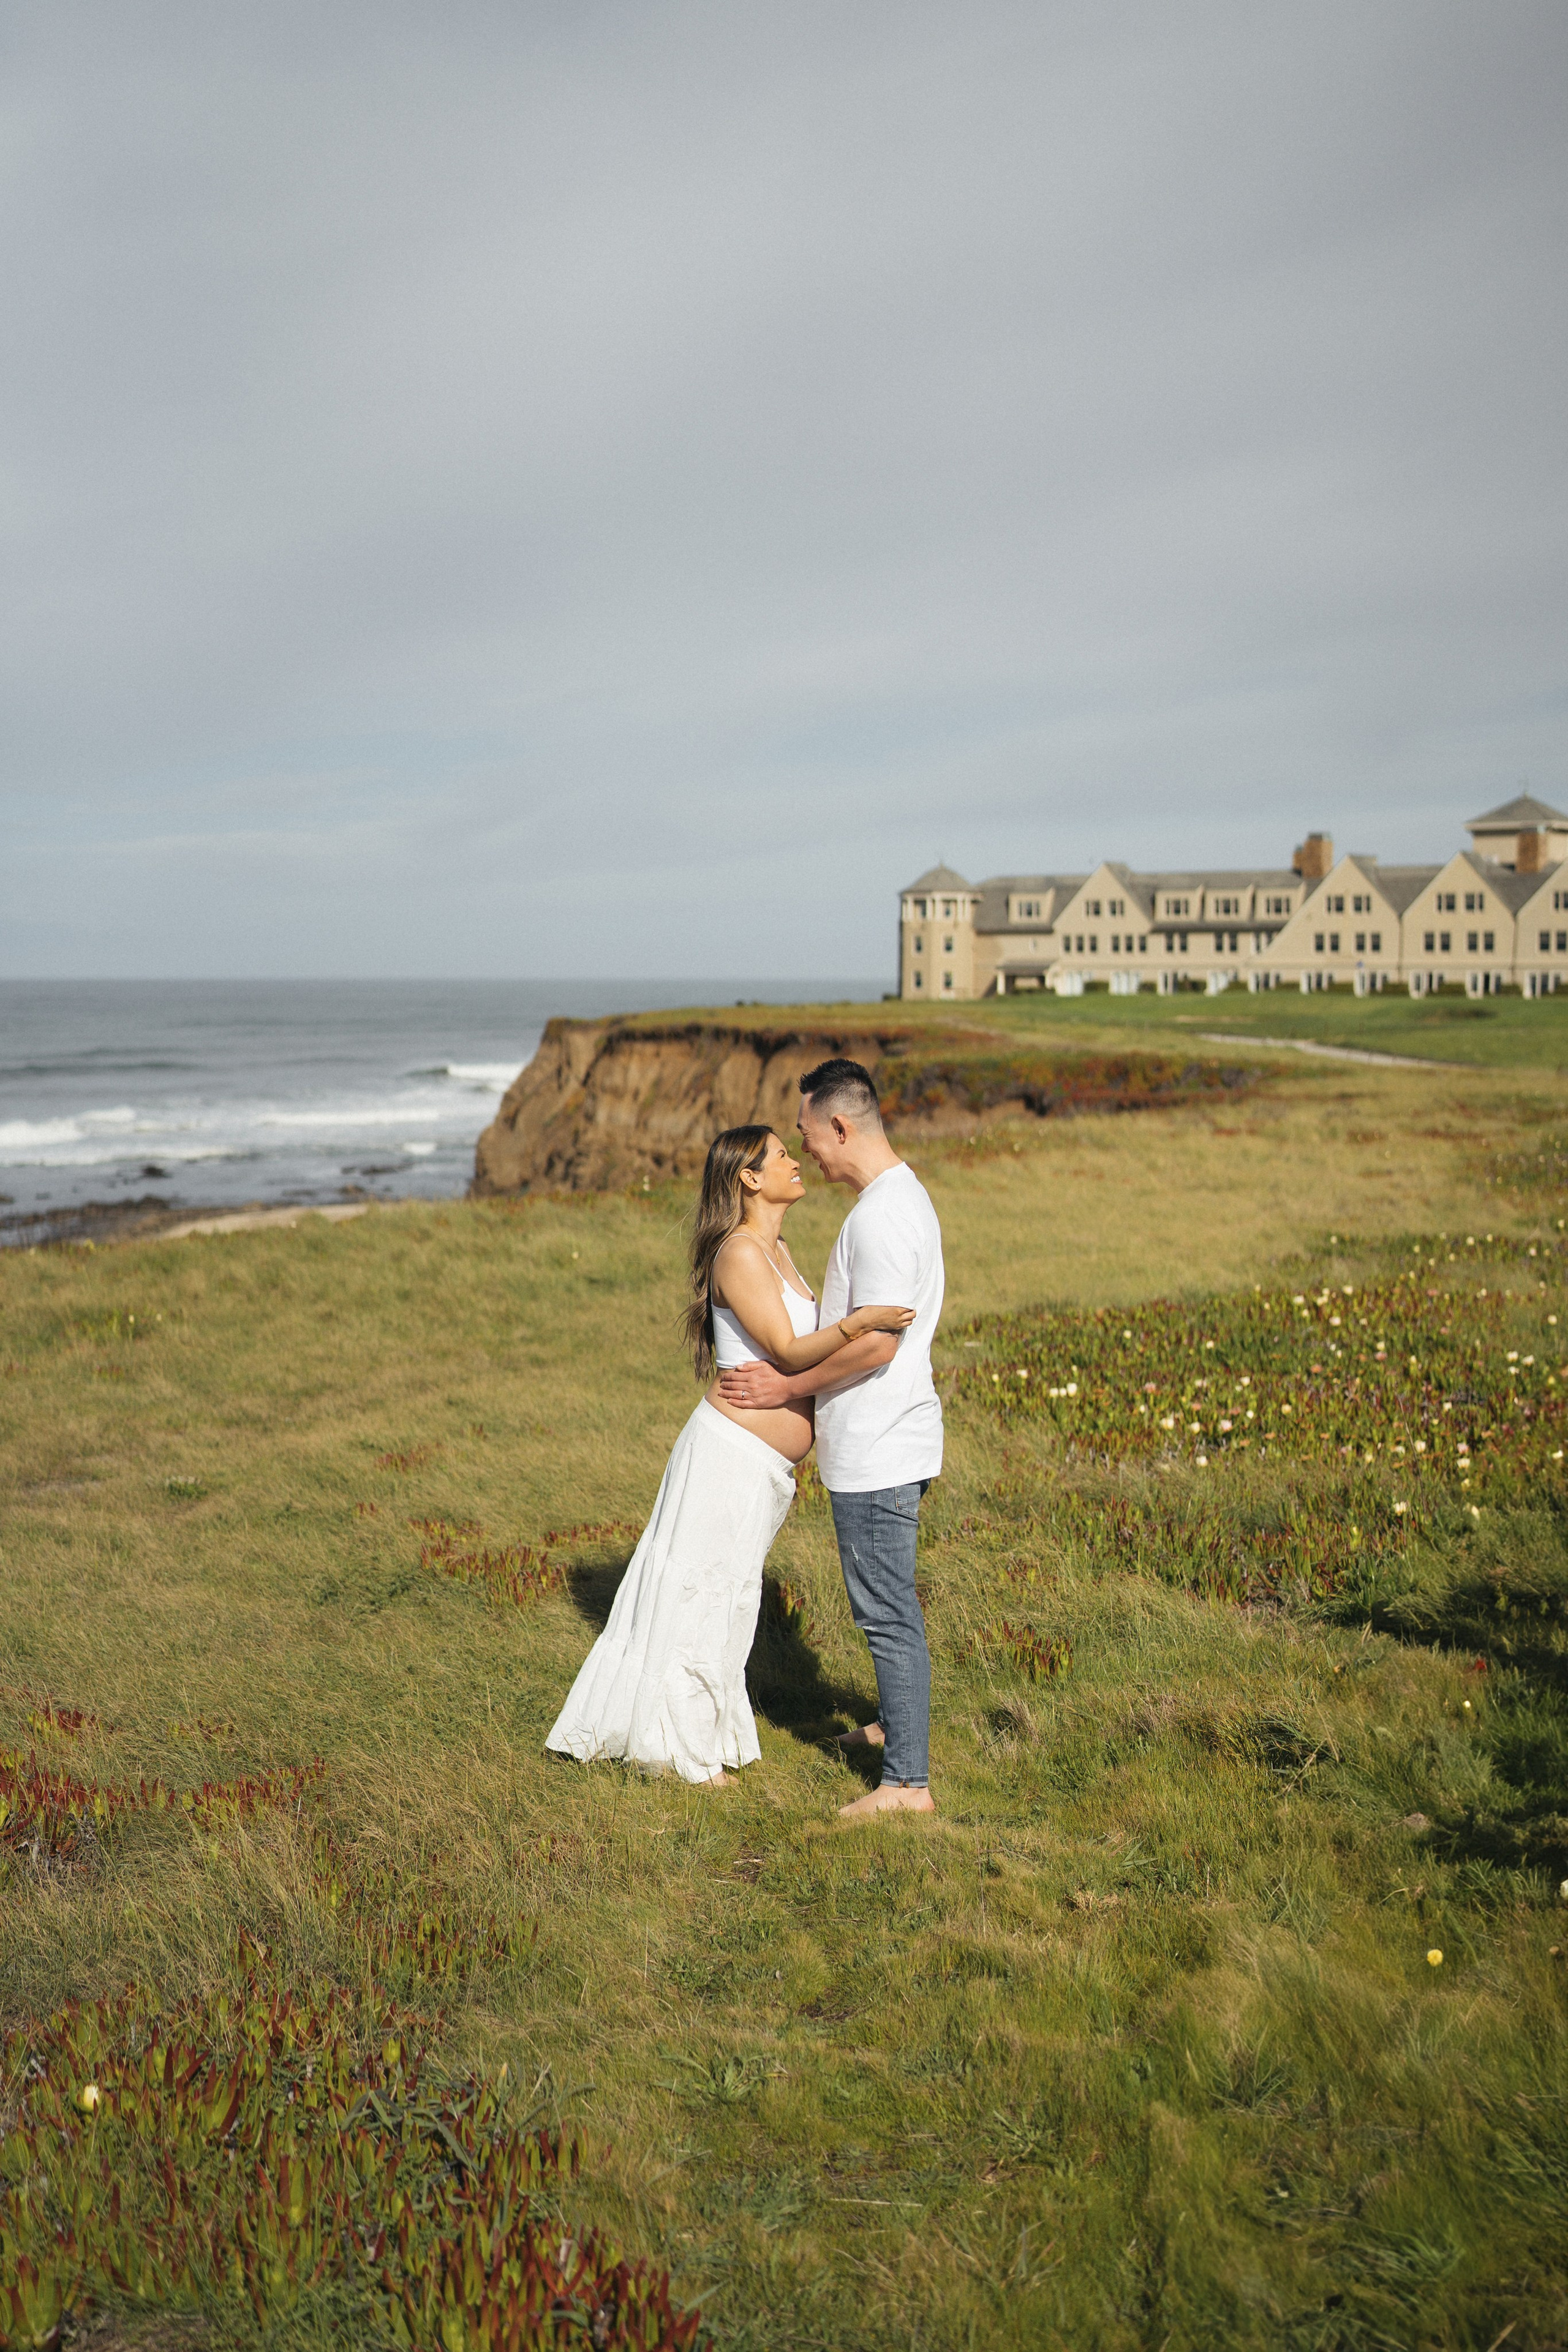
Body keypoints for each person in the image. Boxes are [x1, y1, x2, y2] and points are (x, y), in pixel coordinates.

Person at [545, 1124, 914, 1787]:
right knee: (702, 1593)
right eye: (781, 1156)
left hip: (761, 1467)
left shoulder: (780, 1250)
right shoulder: (738, 1253)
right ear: (748, 1177)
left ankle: (700, 1741)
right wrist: (862, 1322)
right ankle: (678, 1753)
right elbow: (789, 1351)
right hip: (728, 1455)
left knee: (730, 1597)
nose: (795, 1163)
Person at [718, 1059, 944, 1821]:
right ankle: (892, 1726)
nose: (807, 1149)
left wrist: (785, 1389)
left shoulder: (882, 1215)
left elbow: (878, 1344)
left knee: (886, 1611)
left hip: (880, 1444)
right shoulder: (895, 1199)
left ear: (841, 1127)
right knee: (888, 1602)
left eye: (810, 1134)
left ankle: (906, 1783)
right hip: (887, 1437)